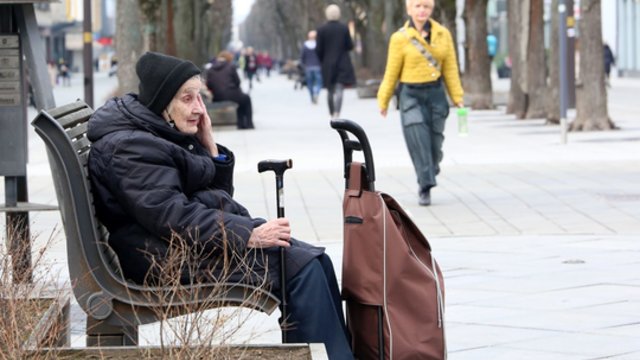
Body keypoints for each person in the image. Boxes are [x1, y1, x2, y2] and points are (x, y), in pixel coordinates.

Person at [87, 52, 353, 360]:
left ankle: (338, 354)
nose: (199, 109)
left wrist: (211, 149)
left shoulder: (152, 132)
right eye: (188, 99)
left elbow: (206, 198)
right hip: (162, 256)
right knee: (300, 269)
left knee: (316, 260)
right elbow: (173, 216)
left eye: (199, 97)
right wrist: (248, 235)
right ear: (162, 102)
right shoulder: (130, 147)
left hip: (179, 244)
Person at [377, 0, 464, 206]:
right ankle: (424, 185)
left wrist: (457, 97)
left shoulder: (443, 34)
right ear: (409, 9)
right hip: (410, 95)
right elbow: (391, 71)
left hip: (436, 94)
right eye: (417, 6)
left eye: (426, 6)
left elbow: (451, 68)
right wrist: (384, 99)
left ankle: (430, 170)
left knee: (435, 144)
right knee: (418, 140)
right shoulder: (399, 38)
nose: (422, 10)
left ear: (431, 9)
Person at [316, 4, 356, 119]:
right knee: (339, 89)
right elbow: (349, 45)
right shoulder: (344, 28)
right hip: (342, 62)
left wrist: (323, 60)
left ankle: (331, 112)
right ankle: (337, 112)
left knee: (330, 89)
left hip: (328, 63)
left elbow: (318, 49)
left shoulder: (321, 30)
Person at [206, 50, 254, 129]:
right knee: (246, 99)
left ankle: (241, 123)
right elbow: (238, 82)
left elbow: (209, 85)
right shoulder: (231, 66)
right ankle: (247, 124)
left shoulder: (211, 69)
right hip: (232, 94)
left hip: (217, 97)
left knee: (241, 99)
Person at [300, 30, 323, 104]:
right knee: (319, 82)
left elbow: (302, 57)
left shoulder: (305, 46)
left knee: (310, 83)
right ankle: (316, 92)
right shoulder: (319, 45)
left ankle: (312, 96)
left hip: (308, 67)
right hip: (318, 66)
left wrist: (304, 65)